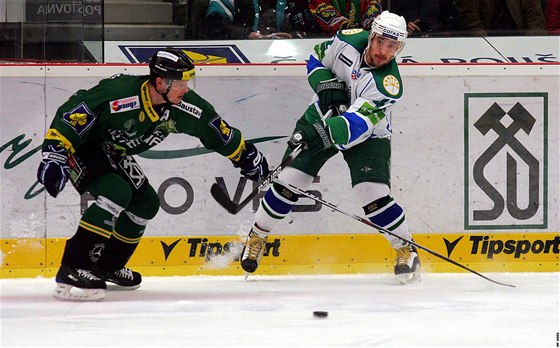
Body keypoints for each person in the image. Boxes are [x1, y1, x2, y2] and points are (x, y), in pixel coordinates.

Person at [37, 48, 269, 301]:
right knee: (116, 191)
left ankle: (108, 265)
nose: (187, 89)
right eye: (181, 83)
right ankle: (73, 267)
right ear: (160, 82)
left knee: (146, 204)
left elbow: (214, 129)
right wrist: (55, 154)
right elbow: (74, 113)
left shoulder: (182, 105)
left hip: (113, 150)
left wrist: (245, 154)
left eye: (187, 82)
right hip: (83, 145)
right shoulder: (120, 94)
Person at [239, 11, 421, 284]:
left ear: (399, 48)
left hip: (367, 135)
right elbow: (315, 59)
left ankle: (405, 247)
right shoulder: (346, 40)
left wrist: (320, 133)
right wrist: (325, 83)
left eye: (392, 46)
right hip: (321, 115)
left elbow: (355, 126)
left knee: (371, 194)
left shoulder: (388, 86)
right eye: (381, 41)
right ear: (371, 35)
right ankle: (257, 236)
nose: (384, 51)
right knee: (289, 182)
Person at [455, 0, 547, 36]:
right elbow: (471, 22)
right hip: (486, 41)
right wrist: (485, 47)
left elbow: (535, 17)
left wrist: (532, 45)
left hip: (520, 41)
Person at [309, 0, 383, 37]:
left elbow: (374, 7)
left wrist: (371, 22)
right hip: (328, 40)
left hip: (364, 38)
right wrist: (346, 26)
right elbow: (322, 9)